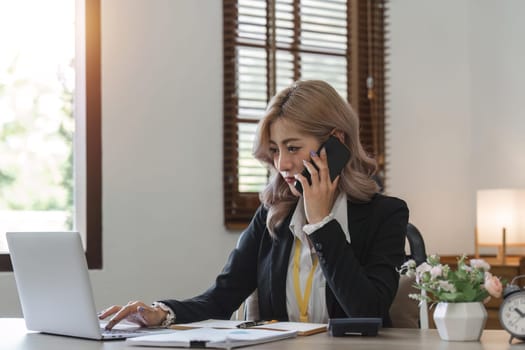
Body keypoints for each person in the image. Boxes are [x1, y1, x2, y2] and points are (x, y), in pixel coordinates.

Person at [100, 80, 409, 330]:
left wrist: (322, 223)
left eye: (293, 147)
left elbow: (367, 312)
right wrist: (160, 313)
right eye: (275, 150)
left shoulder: (386, 214)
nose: (282, 163)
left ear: (336, 142)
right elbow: (221, 298)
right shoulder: (273, 215)